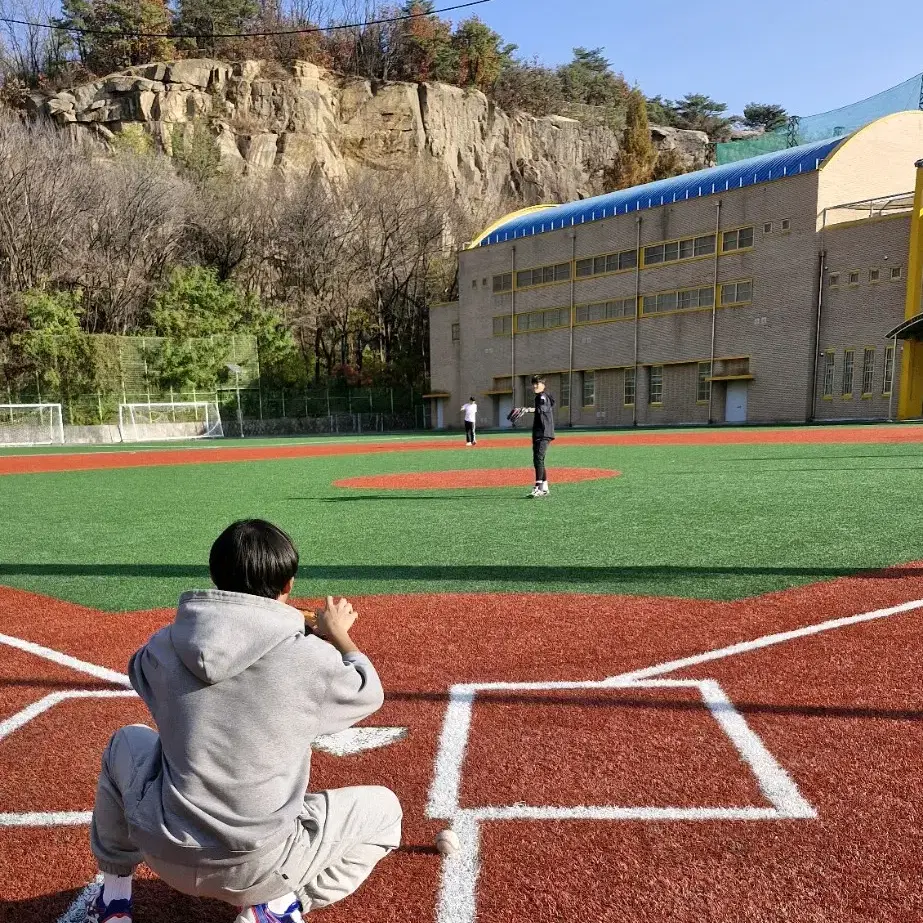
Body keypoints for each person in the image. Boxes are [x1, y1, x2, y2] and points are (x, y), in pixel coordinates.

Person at [87, 519, 401, 923]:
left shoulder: (164, 646)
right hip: (261, 868)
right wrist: (337, 635)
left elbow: (139, 669)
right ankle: (280, 906)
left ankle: (114, 899)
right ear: (288, 585)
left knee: (125, 741)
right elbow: (367, 691)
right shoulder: (309, 658)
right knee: (386, 811)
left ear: (216, 579)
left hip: (163, 850)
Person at [520, 374, 554, 498]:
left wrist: (529, 409)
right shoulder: (539, 397)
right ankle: (544, 487)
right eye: (533, 383)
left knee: (538, 459)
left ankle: (538, 487)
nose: (534, 385)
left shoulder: (543, 397)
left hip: (544, 432)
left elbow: (543, 408)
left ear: (543, 385)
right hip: (540, 432)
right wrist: (528, 409)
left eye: (537, 383)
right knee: (538, 459)